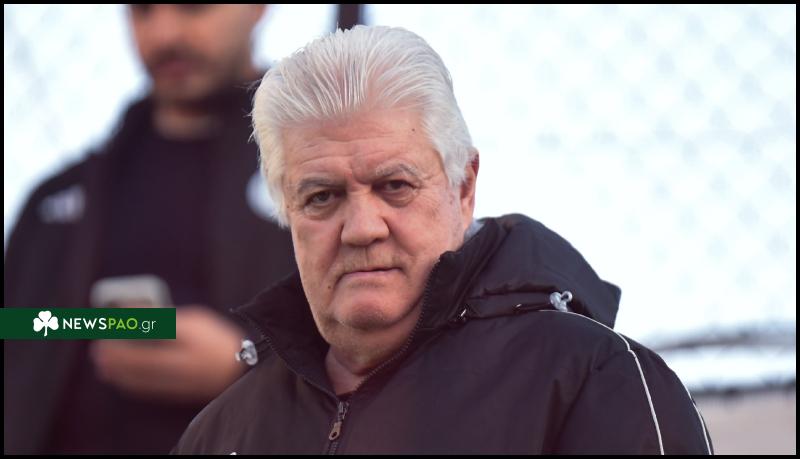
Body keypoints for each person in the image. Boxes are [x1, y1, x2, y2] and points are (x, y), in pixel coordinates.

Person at [172, 25, 714, 454]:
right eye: (322, 197)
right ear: (287, 213)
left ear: (464, 187)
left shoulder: (592, 381)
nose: (362, 228)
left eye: (395, 186)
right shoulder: (222, 433)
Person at [4, 4, 296, 454]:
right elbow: (18, 327)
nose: (165, 35)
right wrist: (128, 323)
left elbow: (369, 344)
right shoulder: (62, 198)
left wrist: (245, 360)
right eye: (143, 11)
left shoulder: (313, 183)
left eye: (193, 7)